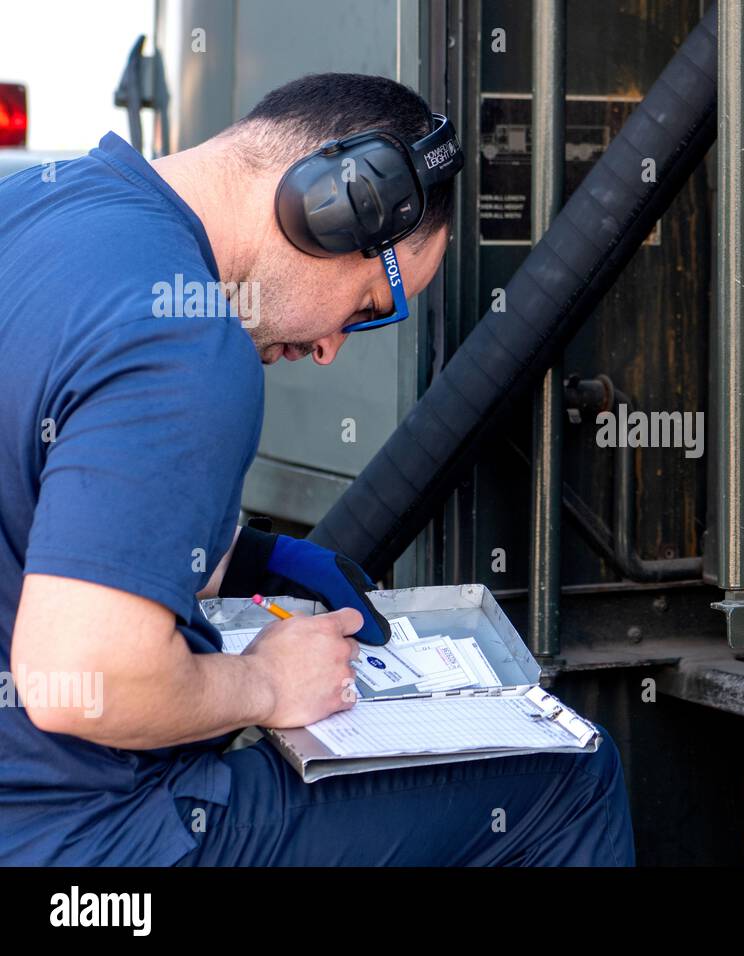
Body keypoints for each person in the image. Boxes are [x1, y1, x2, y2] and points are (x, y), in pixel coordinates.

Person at [0, 72, 635, 866]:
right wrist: (265, 684)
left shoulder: (37, 207)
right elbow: (86, 677)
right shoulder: (190, 348)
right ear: (330, 210)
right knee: (568, 779)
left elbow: (42, 493)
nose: (332, 347)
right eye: (371, 305)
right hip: (83, 845)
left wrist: (248, 559)